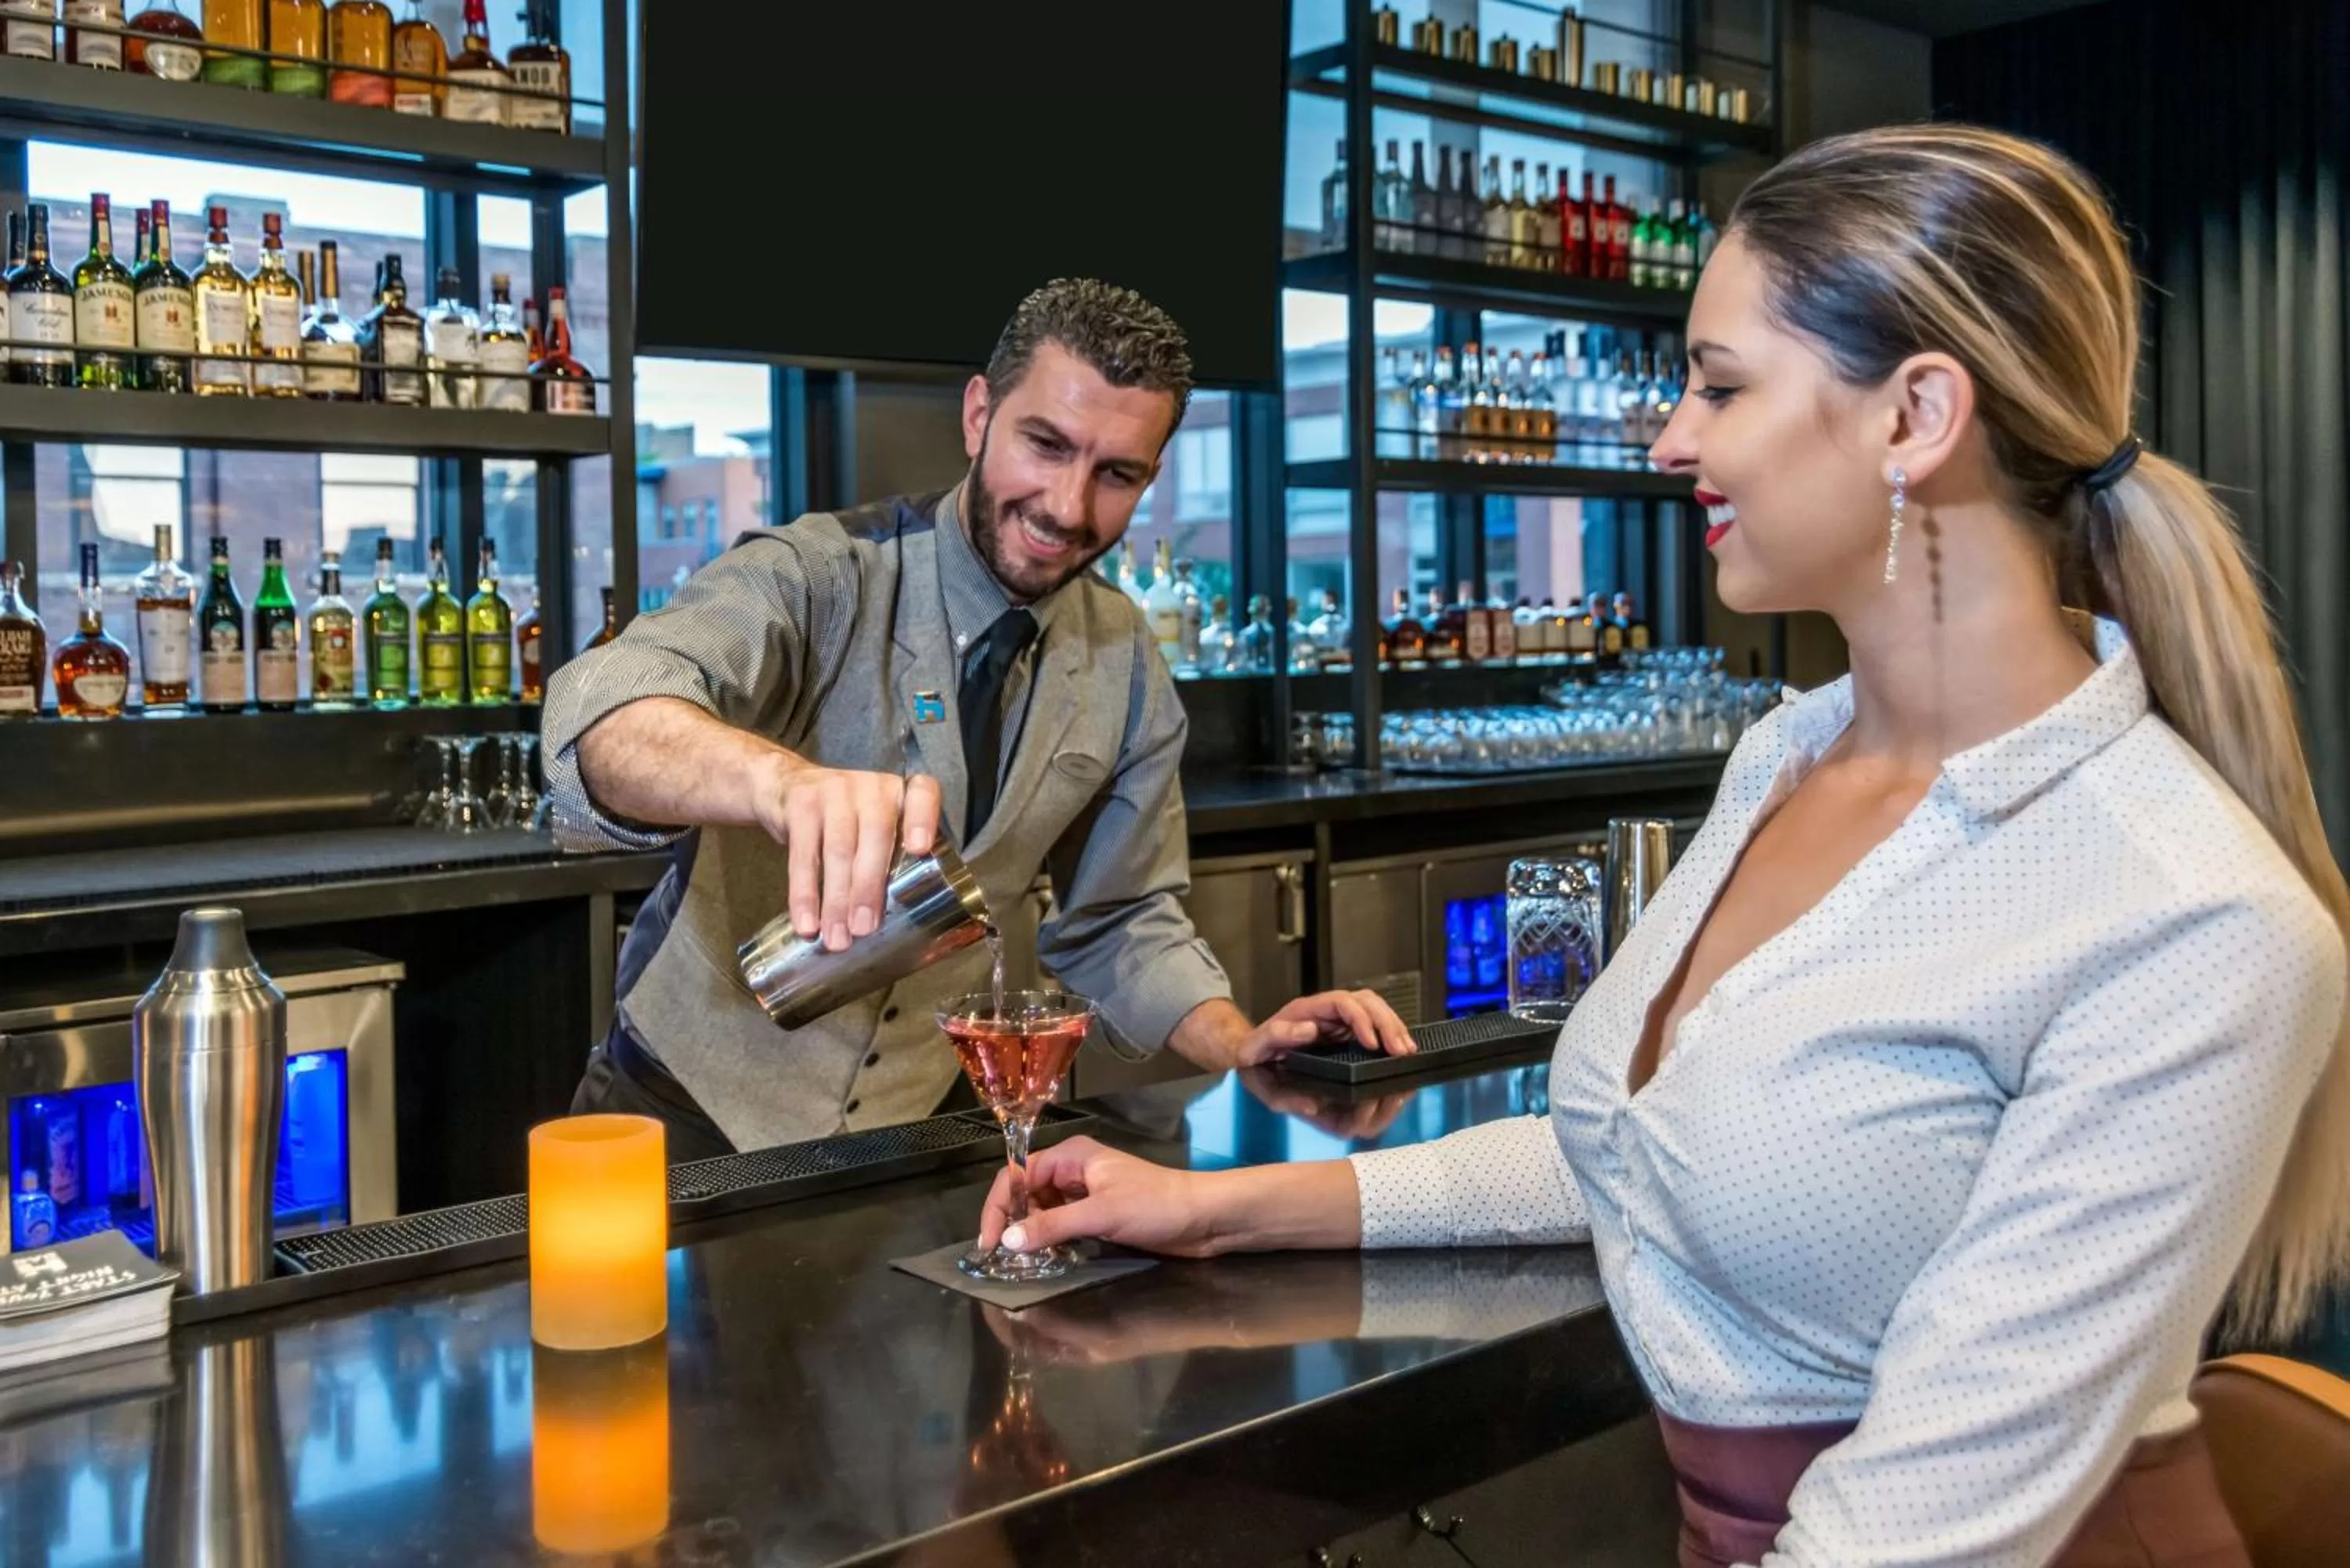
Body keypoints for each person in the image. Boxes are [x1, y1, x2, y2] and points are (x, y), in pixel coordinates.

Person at [973, 128, 2350, 1567]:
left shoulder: (2192, 914)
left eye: (1722, 385)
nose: (1669, 440)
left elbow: (1917, 1532)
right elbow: (1639, 1154)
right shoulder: (1788, 756)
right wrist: (1212, 1210)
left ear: (1918, 415)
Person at [540, 278, 1412, 1160]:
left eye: (1117, 474)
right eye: (1046, 444)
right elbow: (603, 707)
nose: (1068, 507)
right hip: (682, 1111)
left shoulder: (1122, 657)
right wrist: (777, 783)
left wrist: (1242, 1041)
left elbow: (1122, 918)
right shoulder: (824, 575)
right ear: (978, 416)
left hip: (915, 1131)